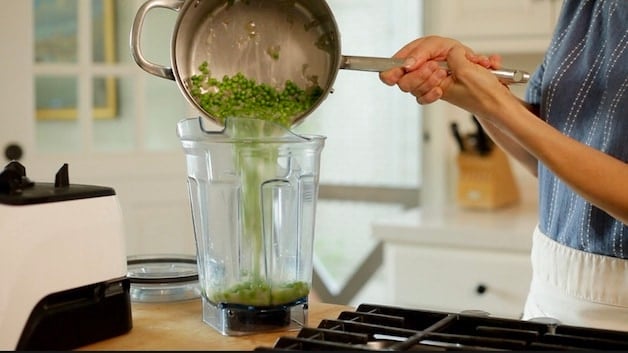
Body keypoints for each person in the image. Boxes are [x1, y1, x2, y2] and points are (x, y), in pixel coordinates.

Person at [380, 0, 628, 331]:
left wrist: (497, 105)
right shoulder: (583, 7)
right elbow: (547, 162)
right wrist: (473, 93)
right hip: (550, 292)